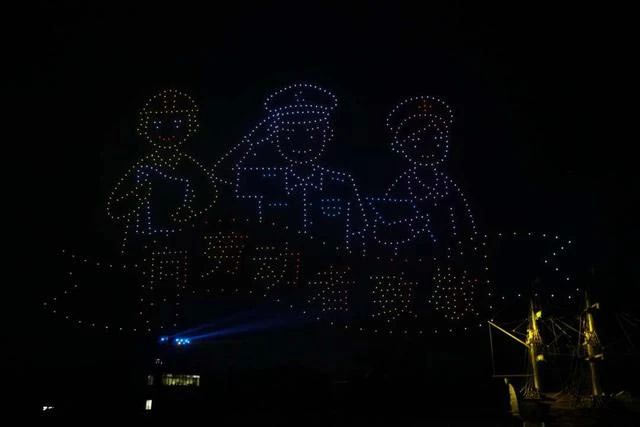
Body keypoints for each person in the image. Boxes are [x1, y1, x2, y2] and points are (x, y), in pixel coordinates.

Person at [367, 96, 485, 321]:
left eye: (436, 138)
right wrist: (408, 228)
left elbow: (466, 225)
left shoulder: (449, 186)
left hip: (447, 260)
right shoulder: (402, 185)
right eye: (419, 140)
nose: (429, 145)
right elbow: (384, 228)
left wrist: (462, 248)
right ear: (403, 146)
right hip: (411, 259)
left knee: (450, 302)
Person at [232, 83, 367, 253]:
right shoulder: (265, 179)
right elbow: (221, 175)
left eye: (311, 132)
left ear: (326, 134)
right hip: (278, 264)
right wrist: (252, 140)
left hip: (329, 266)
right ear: (275, 136)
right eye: (290, 133)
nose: (301, 141)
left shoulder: (341, 182)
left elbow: (358, 232)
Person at [106, 89, 218, 254]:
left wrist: (190, 210)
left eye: (177, 124)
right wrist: (136, 196)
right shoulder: (142, 167)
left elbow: (209, 194)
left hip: (181, 238)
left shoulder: (189, 166)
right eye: (158, 124)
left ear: (189, 127)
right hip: (145, 241)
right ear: (146, 127)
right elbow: (115, 208)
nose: (167, 130)